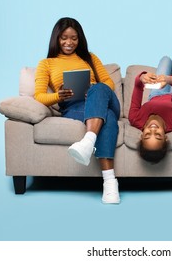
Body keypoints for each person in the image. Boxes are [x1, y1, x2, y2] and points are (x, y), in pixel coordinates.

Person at [34, 17, 121, 204]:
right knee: (109, 119)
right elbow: (39, 96)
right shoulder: (46, 63)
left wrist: (93, 88)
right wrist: (59, 95)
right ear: (56, 38)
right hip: (73, 106)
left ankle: (88, 142)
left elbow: (109, 83)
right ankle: (110, 184)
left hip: (103, 98)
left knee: (98, 88)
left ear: (79, 39)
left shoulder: (90, 57)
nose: (69, 42)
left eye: (74, 38)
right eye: (64, 38)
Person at [129, 55, 172, 163]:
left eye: (148, 134)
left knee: (165, 59)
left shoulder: (134, 119)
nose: (153, 129)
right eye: (158, 135)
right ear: (166, 137)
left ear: (141, 136)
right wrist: (169, 79)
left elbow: (138, 86)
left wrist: (142, 77)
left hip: (156, 95)